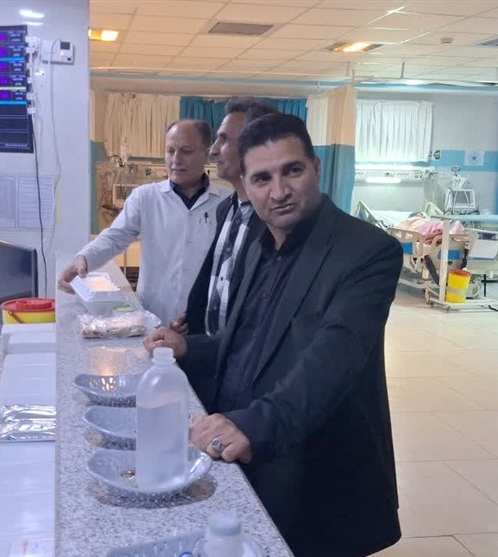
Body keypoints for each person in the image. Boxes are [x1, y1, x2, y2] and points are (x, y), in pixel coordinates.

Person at [144, 114, 402, 557]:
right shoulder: (258, 244)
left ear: (316, 168)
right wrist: (188, 346)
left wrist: (250, 425)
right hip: (250, 463)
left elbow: (332, 361)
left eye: (292, 171)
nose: (279, 191)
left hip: (316, 473)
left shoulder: (365, 252)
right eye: (262, 178)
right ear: (245, 183)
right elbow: (247, 344)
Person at [58, 119, 231, 325]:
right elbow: (115, 237)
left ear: (206, 152)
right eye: (170, 151)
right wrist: (84, 258)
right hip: (153, 317)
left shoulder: (227, 202)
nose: (176, 160)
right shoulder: (145, 197)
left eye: (186, 151)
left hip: (204, 321)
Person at [170, 99, 276, 338]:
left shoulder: (274, 223)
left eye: (225, 139)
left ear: (256, 147)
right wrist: (191, 323)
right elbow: (217, 282)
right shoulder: (226, 209)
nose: (213, 150)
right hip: (210, 351)